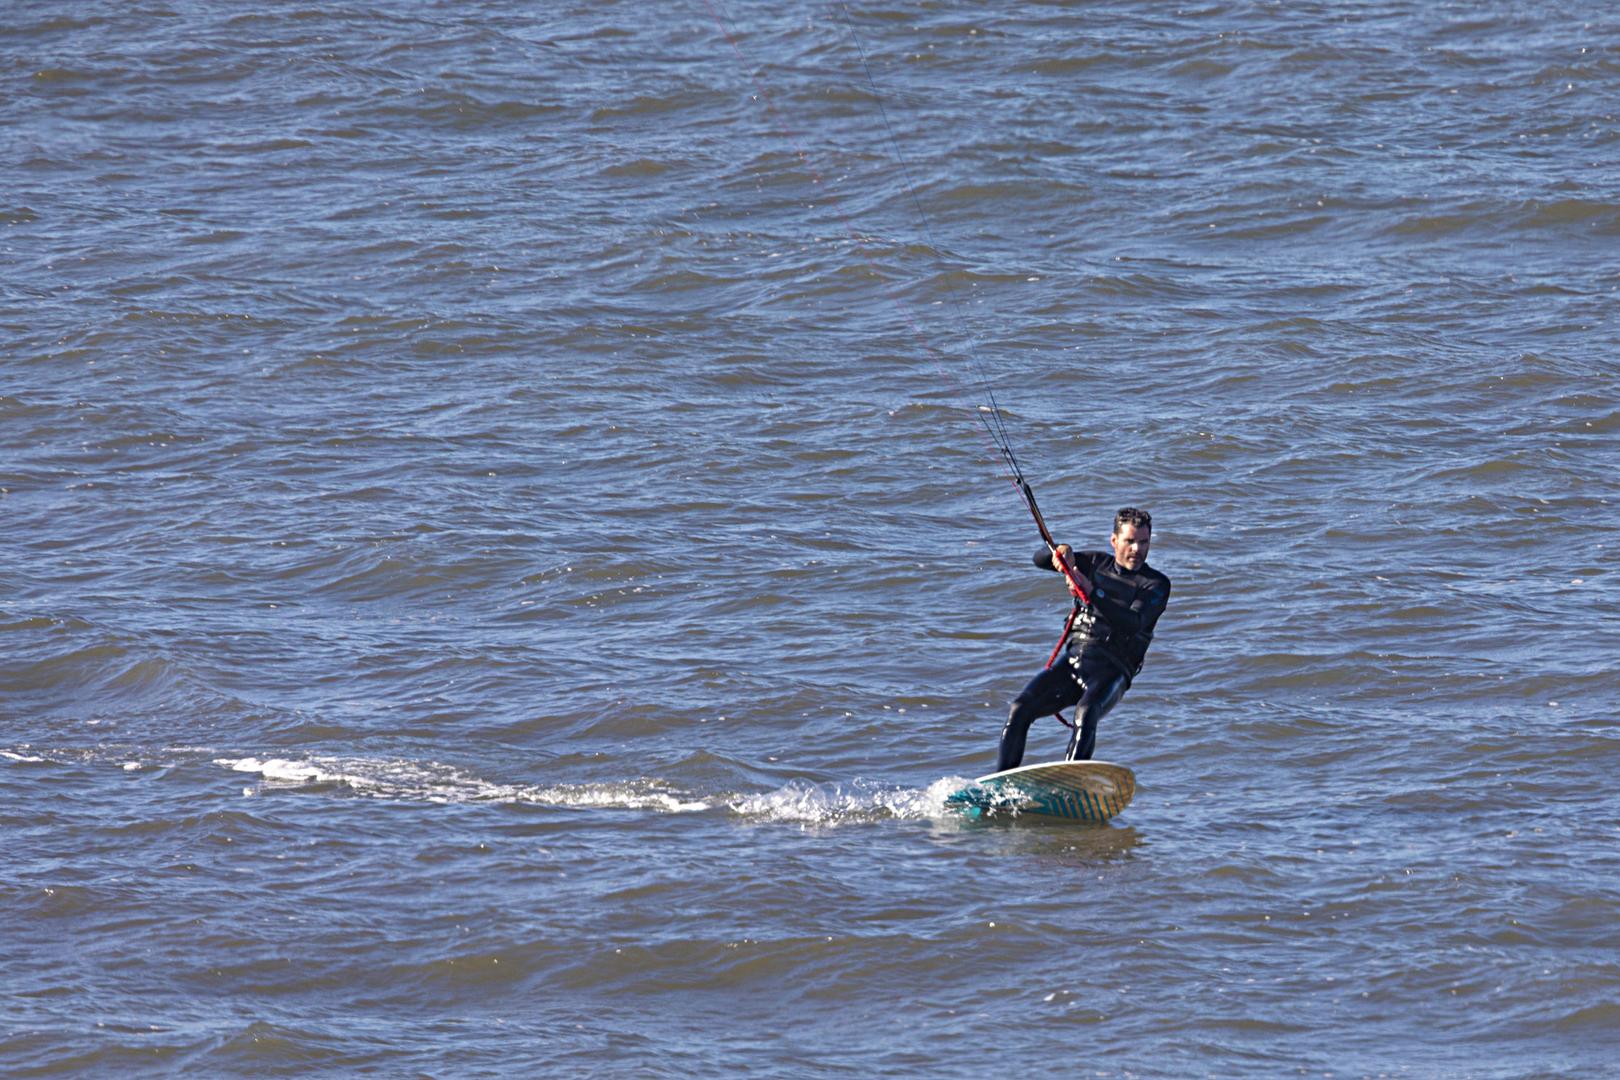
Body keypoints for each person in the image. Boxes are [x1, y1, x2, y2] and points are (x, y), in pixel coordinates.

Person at [996, 507, 1170, 772]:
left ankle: (1070, 783)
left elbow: (1132, 622)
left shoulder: (1155, 584)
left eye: (1144, 542)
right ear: (1114, 541)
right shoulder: (1094, 564)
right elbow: (1039, 559)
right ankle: (1000, 783)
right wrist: (1062, 551)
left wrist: (1093, 592)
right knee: (1020, 708)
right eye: (1130, 541)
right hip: (1074, 662)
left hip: (1113, 670)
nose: (1137, 549)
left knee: (1086, 712)